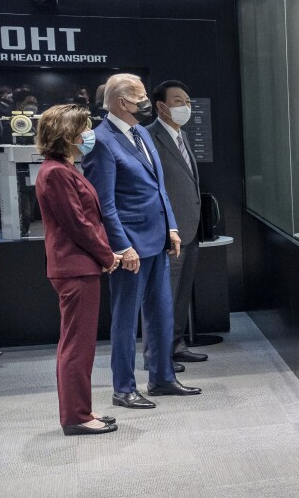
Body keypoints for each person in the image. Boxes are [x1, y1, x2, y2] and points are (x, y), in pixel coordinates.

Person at [83, 74, 200, 409]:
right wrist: (121, 247)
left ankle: (162, 378)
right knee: (125, 320)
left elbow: (159, 189)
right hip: (130, 249)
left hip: (158, 242)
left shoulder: (142, 136)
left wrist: (172, 228)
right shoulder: (98, 140)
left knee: (161, 315)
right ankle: (123, 388)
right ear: (122, 102)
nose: (145, 101)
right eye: (140, 96)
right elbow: (103, 204)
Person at [33, 104, 123, 434]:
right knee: (76, 347)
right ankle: (77, 417)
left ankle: (81, 411)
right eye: (84, 127)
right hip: (75, 267)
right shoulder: (56, 172)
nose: (90, 133)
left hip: (78, 266)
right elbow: (79, 225)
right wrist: (108, 255)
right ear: (67, 134)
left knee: (79, 345)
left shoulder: (63, 168)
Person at [146, 80, 208, 365]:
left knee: (181, 294)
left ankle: (175, 344)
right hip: (167, 233)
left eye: (188, 101)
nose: (186, 106)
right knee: (161, 298)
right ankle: (156, 355)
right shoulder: (148, 138)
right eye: (179, 101)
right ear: (161, 106)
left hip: (190, 230)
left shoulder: (181, 137)